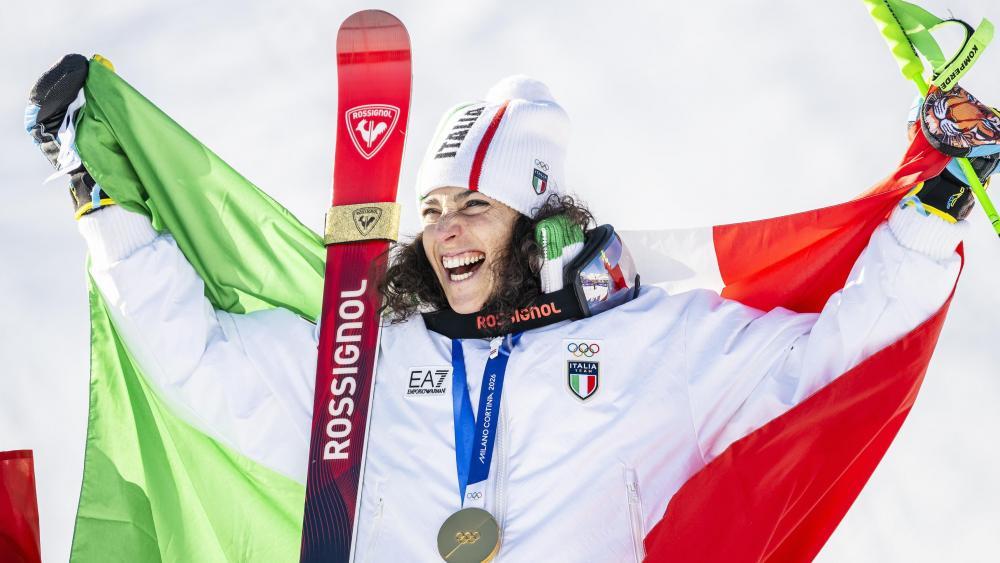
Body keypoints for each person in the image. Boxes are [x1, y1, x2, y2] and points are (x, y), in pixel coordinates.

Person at [26, 54, 999, 561]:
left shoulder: (649, 342)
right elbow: (198, 364)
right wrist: (97, 200)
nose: (446, 233)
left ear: (538, 217)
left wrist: (933, 211)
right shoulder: (369, 348)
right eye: (436, 211)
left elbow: (829, 363)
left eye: (475, 207)